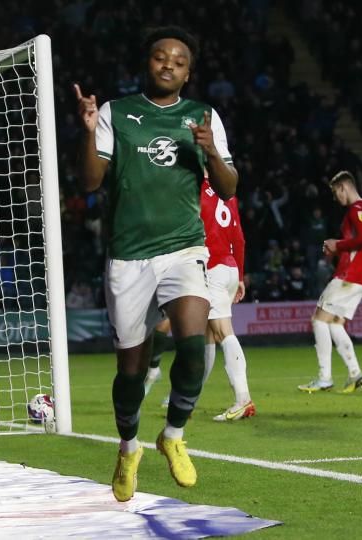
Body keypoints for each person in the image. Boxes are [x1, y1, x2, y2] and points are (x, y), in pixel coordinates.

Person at [74, 26, 238, 502]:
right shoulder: (116, 113)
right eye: (160, 57)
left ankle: (173, 434)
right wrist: (88, 132)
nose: (168, 65)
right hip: (129, 258)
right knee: (131, 370)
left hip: (184, 248)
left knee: (192, 343)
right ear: (148, 63)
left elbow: (228, 188)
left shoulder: (203, 116)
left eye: (179, 60)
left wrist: (209, 149)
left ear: (189, 72)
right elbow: (90, 182)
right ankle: (128, 447)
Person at [144, 178, 254, 422]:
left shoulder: (194, 190)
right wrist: (241, 277)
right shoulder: (227, 192)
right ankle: (188, 398)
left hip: (212, 267)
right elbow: (240, 238)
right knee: (207, 335)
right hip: (230, 267)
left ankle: (243, 399)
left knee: (223, 331)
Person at [298, 171, 362, 394]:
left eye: (335, 192)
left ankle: (324, 378)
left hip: (348, 276)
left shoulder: (357, 210)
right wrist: (342, 248)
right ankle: (354, 374)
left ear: (344, 188)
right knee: (334, 324)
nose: (336, 198)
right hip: (360, 277)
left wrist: (337, 245)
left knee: (318, 320)